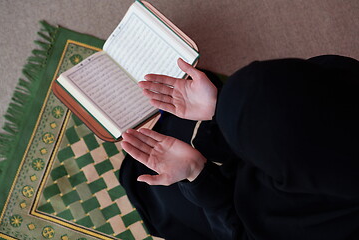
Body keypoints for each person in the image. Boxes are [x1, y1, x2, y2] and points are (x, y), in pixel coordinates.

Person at [119, 55, 359, 240]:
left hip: (237, 207)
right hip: (279, 153)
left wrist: (196, 173)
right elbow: (276, 103)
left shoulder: (319, 225)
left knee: (167, 197)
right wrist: (217, 106)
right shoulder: (341, 77)